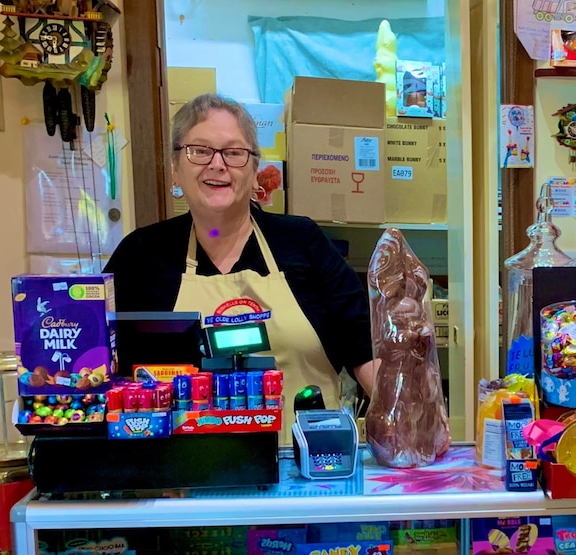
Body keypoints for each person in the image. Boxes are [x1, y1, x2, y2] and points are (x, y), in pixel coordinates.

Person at [104, 93, 376, 440]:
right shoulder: (140, 255)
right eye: (199, 150)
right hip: (179, 480)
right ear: (175, 167)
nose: (217, 164)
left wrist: (410, 416)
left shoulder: (302, 242)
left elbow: (366, 351)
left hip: (307, 469)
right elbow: (100, 367)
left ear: (253, 169)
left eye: (234, 153)